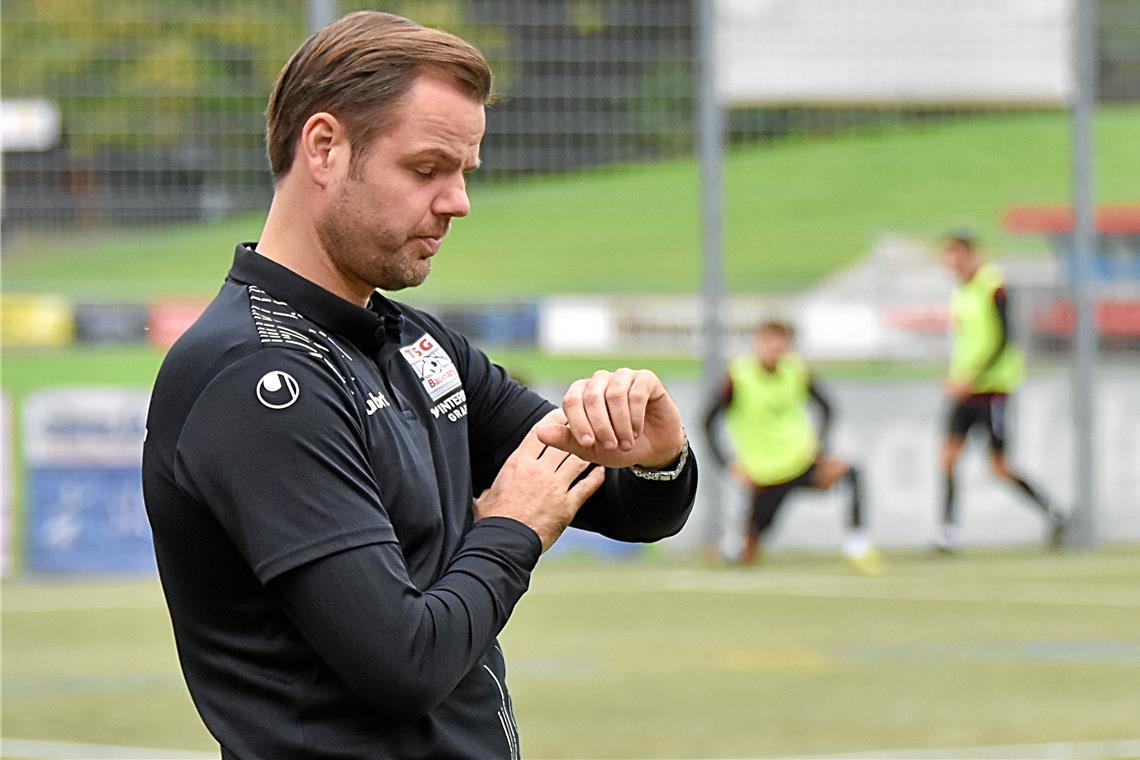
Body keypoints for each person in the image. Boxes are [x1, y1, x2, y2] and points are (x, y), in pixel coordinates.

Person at [141, 12, 696, 759]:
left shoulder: (414, 342)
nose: (458, 201)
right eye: (427, 169)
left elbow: (625, 506)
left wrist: (657, 454)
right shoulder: (257, 378)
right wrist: (512, 528)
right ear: (325, 148)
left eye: (465, 172)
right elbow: (403, 664)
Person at [703, 320, 882, 574]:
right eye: (770, 343)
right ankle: (732, 545)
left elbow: (827, 408)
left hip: (801, 462)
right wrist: (728, 464)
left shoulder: (797, 370)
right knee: (746, 552)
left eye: (781, 345)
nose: (775, 351)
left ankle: (857, 545)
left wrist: (819, 446)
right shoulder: (738, 376)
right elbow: (707, 422)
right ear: (758, 344)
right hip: (765, 474)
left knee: (850, 471)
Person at [937, 231, 1066, 552]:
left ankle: (1054, 513)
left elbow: (1004, 338)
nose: (950, 263)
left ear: (970, 253)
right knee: (948, 458)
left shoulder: (993, 285)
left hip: (992, 389)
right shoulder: (960, 292)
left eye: (955, 255)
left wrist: (974, 375)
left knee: (999, 467)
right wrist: (956, 377)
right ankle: (948, 533)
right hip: (965, 389)